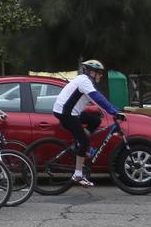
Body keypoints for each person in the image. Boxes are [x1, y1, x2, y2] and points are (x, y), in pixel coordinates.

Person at [53, 60, 123, 188]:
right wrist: (113, 112)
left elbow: (99, 99)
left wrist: (115, 109)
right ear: (91, 72)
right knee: (85, 141)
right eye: (99, 73)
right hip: (66, 113)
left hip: (70, 112)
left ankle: (79, 144)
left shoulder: (85, 81)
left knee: (95, 120)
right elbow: (97, 98)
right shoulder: (84, 81)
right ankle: (78, 175)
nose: (101, 76)